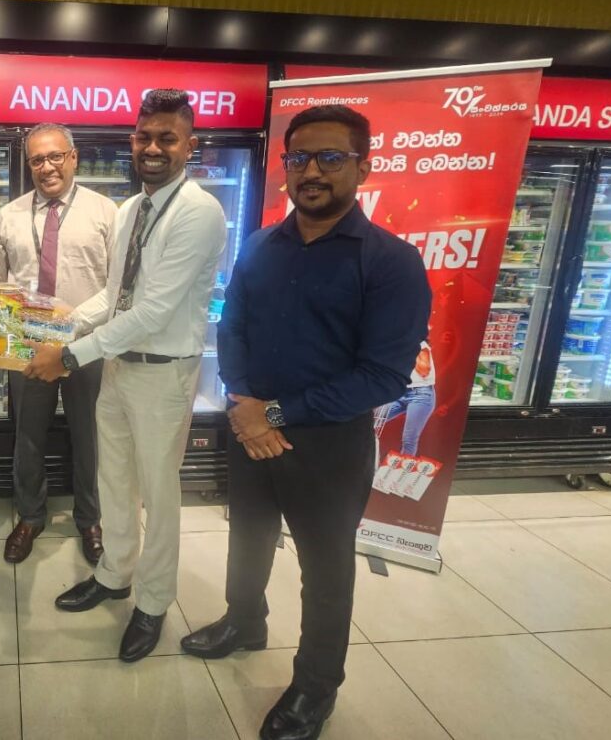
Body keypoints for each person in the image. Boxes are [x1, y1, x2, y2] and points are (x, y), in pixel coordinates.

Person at [182, 105, 430, 740]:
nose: (312, 171)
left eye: (330, 157)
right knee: (248, 536)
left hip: (329, 444)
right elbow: (232, 328)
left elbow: (382, 376)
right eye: (299, 158)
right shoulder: (260, 245)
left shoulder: (392, 262)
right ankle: (244, 621)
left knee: (325, 571)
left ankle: (315, 686)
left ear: (363, 167)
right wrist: (244, 404)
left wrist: (271, 413)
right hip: (250, 426)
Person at [25, 89, 227, 662]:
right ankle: (114, 574)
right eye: (144, 137)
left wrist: (68, 357)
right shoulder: (131, 209)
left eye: (167, 138)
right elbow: (114, 297)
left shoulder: (199, 212)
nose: (153, 148)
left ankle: (154, 602)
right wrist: (57, 326)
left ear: (190, 144)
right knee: (113, 480)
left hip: (164, 376)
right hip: (118, 367)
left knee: (158, 495)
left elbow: (153, 313)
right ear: (132, 142)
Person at [0, 122, 117, 566]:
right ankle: (30, 516)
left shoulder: (106, 212)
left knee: (90, 435)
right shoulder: (9, 215)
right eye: (37, 159)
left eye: (56, 156)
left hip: (87, 344)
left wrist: (71, 327)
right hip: (27, 347)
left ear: (73, 157)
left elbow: (118, 286)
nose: (47, 167)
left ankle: (90, 520)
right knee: (28, 435)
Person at [378, 341, 436, 457]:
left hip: (420, 394)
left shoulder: (420, 344)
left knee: (409, 439)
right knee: (373, 420)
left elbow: (424, 370)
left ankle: (404, 467)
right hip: (401, 392)